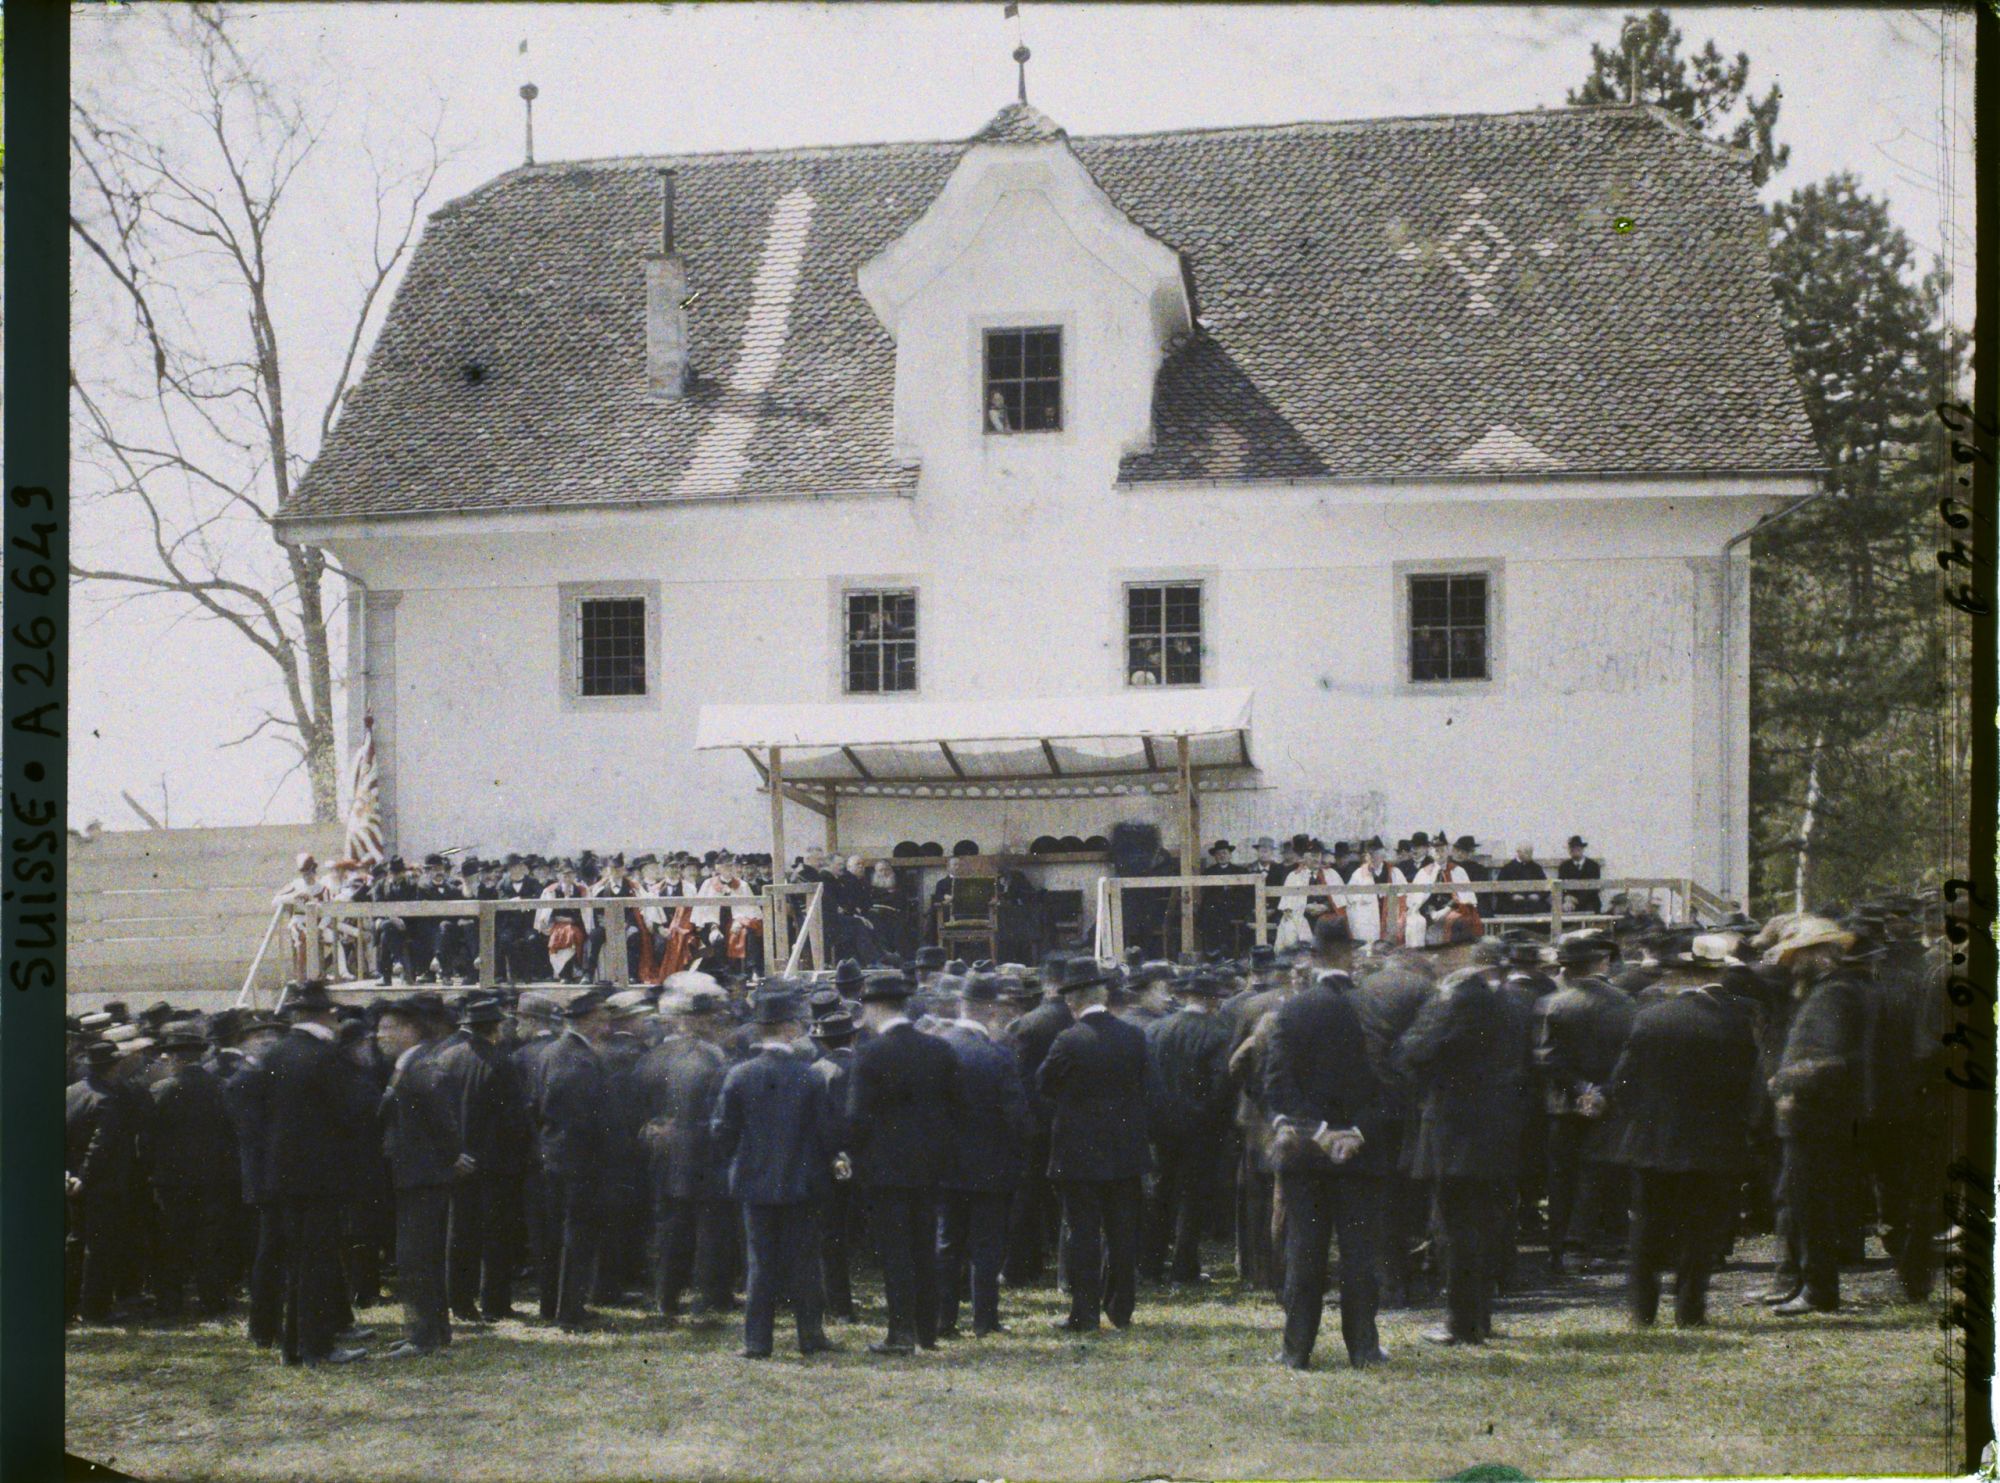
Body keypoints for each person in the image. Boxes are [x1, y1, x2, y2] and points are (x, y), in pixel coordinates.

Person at [1603, 979, 1759, 1327]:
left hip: (1653, 1140)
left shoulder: (1650, 1018)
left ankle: (1642, 1312)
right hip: (1712, 1142)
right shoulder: (1734, 1023)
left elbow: (1622, 1082)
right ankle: (1690, 1311)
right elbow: (1748, 1085)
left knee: (1646, 1228)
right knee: (1700, 1230)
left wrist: (1641, 1119)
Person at [1263, 969, 1388, 1370]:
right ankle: (1364, 1348)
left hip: (1306, 1151)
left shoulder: (1292, 1010)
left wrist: (1316, 1131)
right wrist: (1354, 1131)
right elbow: (1391, 1084)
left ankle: (1296, 1349)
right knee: (1359, 1254)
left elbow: (1276, 1083)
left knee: (1304, 1249)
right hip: (1359, 1151)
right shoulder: (1370, 1009)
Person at [246, 981, 376, 1365]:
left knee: (297, 1262)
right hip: (322, 1178)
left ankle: (294, 1345)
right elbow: (355, 1112)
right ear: (326, 1015)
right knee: (317, 1263)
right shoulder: (326, 1057)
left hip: (283, 1177)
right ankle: (315, 1345)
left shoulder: (275, 1055)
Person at [709, 988, 840, 1359]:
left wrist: (737, 1160)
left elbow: (722, 1132)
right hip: (803, 1182)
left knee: (760, 1265)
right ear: (787, 1029)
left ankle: (757, 1341)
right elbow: (828, 1133)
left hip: (754, 1182)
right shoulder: (809, 1077)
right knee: (805, 1262)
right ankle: (810, 1336)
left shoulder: (739, 1075)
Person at [1394, 967, 1512, 1346]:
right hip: (1494, 1131)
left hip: (1451, 1132)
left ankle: (1460, 1323)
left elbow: (1410, 1053)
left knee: (1454, 1230)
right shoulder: (1505, 1011)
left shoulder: (1449, 1015)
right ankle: (1480, 1317)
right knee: (1484, 1227)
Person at [847, 970, 963, 1354]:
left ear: (874, 1007)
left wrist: (856, 1156)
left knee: (896, 1252)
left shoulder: (870, 1054)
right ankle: (927, 1331)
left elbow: (857, 1117)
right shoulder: (939, 1049)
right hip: (931, 1166)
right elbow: (955, 1107)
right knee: (924, 1246)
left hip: (885, 1170)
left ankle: (901, 1332)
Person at [1764, 918, 1870, 1315]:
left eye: (1799, 956)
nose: (1791, 965)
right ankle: (1811, 1285)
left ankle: (1820, 1290)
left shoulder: (1834, 995)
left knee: (1811, 1203)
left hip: (1816, 1116)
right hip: (1814, 1115)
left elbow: (1830, 1060)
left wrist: (1786, 1080)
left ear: (1820, 955)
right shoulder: (1826, 992)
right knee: (1805, 1200)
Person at [1039, 955, 1150, 1333]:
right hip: (1125, 1150)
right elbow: (1150, 1090)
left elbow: (1044, 1085)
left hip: (1078, 1151)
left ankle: (1084, 1313)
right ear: (1103, 993)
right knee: (1122, 1232)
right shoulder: (1133, 1036)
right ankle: (1121, 1309)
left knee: (1082, 1233)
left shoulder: (1068, 1041)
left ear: (1072, 1001)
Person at [935, 970, 1032, 1338]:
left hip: (946, 1164)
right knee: (986, 1246)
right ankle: (984, 1319)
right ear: (991, 1010)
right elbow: (1016, 1114)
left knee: (947, 1243)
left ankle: (944, 1319)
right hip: (991, 1163)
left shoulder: (939, 1047)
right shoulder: (998, 1055)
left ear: (961, 1004)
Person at [1534, 931, 1635, 1274]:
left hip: (1563, 1103)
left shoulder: (1552, 1003)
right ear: (1601, 962)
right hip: (1608, 1102)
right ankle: (1586, 1243)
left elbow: (1546, 1059)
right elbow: (1630, 1057)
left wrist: (1581, 1089)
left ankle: (1559, 1247)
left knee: (1561, 1177)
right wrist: (1601, 1092)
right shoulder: (1625, 1002)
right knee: (1596, 1172)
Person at [634, 983, 736, 1322]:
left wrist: (653, 1129)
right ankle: (708, 1299)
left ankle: (666, 1298)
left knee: (669, 1226)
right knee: (709, 1228)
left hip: (662, 1151)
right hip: (705, 1152)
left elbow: (639, 1106)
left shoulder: (650, 1058)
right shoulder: (713, 1058)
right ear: (692, 1021)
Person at [429, 993, 527, 1324]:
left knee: (459, 1233)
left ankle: (459, 1301)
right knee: (496, 1234)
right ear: (496, 1027)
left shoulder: (446, 1057)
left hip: (458, 1160)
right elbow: (513, 1119)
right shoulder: (501, 1062)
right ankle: (494, 1301)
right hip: (495, 1161)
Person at [374, 996, 460, 1357]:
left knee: (417, 1257)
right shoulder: (408, 1065)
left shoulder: (422, 1067)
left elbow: (445, 1125)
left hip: (422, 1178)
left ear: (411, 1030)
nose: (380, 1035)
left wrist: (444, 1160)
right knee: (418, 1257)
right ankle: (430, 1330)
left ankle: (423, 1335)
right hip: (415, 1175)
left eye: (388, 1028)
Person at [1141, 968, 1234, 1286]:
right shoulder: (1218, 1033)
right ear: (1212, 999)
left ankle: (1150, 1265)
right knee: (1193, 1197)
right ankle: (1184, 1268)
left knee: (1161, 1194)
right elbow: (1222, 1085)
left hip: (1161, 1126)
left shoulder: (1156, 1029)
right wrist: (1209, 1116)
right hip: (1200, 1128)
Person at [141, 1021, 237, 1319]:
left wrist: (151, 1167)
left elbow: (146, 1139)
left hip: (171, 1180)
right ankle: (214, 1299)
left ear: (176, 1058)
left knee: (171, 1240)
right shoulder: (219, 1087)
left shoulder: (161, 1090)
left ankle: (169, 1302)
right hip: (213, 1177)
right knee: (210, 1240)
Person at [533, 990, 614, 1332]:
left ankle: (552, 1305)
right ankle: (570, 1311)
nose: (607, 1022)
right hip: (579, 1159)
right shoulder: (579, 1059)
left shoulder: (551, 1051)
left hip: (553, 1154)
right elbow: (584, 1116)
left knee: (557, 1233)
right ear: (588, 1019)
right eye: (602, 1016)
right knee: (577, 1235)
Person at [66, 1038, 151, 1325]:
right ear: (113, 1067)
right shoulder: (108, 1100)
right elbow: (100, 1147)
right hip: (102, 1184)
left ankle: (67, 1304)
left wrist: (69, 1174)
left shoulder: (71, 1093)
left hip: (72, 1180)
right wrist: (84, 1179)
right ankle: (95, 1309)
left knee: (76, 1242)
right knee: (100, 1248)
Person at [1001, 967, 1071, 1285]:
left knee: (1027, 1197)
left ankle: (1021, 1266)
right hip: (1071, 1120)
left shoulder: (1026, 1024)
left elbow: (1018, 1078)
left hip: (1034, 1123)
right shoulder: (1078, 1020)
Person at [806, 1003, 862, 1322]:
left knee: (832, 1236)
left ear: (823, 1042)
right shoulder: (868, 1066)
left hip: (831, 1163)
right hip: (871, 1160)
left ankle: (840, 1307)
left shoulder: (815, 1072)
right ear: (852, 1038)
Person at [1275, 842, 1338, 953]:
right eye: (1313, 855)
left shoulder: (1331, 874)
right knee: (1289, 930)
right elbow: (1287, 908)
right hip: (1302, 919)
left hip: (1326, 920)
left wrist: (1326, 906)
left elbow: (1339, 903)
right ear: (1304, 856)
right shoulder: (1294, 876)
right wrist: (1304, 907)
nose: (1316, 858)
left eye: (1318, 855)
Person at [535, 862, 592, 984]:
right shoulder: (550, 891)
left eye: (570, 874)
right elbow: (544, 914)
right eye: (563, 874)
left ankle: (574, 970)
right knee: (562, 934)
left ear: (575, 875)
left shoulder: (582, 890)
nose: (567, 877)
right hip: (556, 924)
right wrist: (555, 920)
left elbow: (587, 913)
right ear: (558, 876)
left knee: (571, 933)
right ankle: (564, 973)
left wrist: (573, 920)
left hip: (577, 924)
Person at [1343, 839, 1406, 949]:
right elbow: (1349, 897)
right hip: (1368, 917)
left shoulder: (1394, 872)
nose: (1371, 858)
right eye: (1368, 854)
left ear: (1382, 855)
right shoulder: (1358, 874)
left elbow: (1404, 896)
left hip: (1388, 915)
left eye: (1374, 854)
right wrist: (1362, 898)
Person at [1495, 843, 1551, 922]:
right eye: (1526, 852)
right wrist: (1512, 896)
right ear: (1518, 852)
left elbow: (1546, 887)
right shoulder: (1507, 868)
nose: (1529, 855)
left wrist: (1539, 896)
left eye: (1530, 852)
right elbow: (1499, 889)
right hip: (1512, 903)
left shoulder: (1536, 868)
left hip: (1533, 903)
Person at [1556, 836, 1603, 918]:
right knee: (1562, 910)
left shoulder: (1593, 866)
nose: (1575, 850)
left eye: (1578, 847)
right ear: (1569, 851)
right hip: (1569, 902)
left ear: (1582, 849)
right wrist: (1567, 898)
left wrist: (1577, 900)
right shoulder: (1564, 867)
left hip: (1589, 901)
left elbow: (1595, 888)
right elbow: (1560, 886)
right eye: (1572, 848)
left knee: (1591, 909)